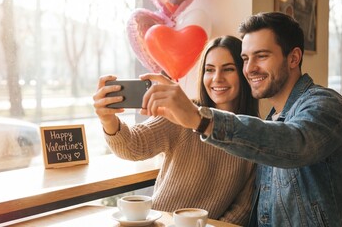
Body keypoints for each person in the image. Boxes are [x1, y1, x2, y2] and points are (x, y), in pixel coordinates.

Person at [139, 12, 342, 226]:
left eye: (261, 56)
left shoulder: (325, 104)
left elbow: (294, 143)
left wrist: (201, 120)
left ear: (294, 58)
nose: (250, 68)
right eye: (245, 59)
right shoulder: (270, 122)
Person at [93, 35, 259, 226]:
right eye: (209, 69)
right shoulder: (184, 113)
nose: (217, 78)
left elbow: (243, 208)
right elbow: (133, 146)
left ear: (244, 73)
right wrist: (108, 120)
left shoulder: (254, 133)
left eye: (228, 69)